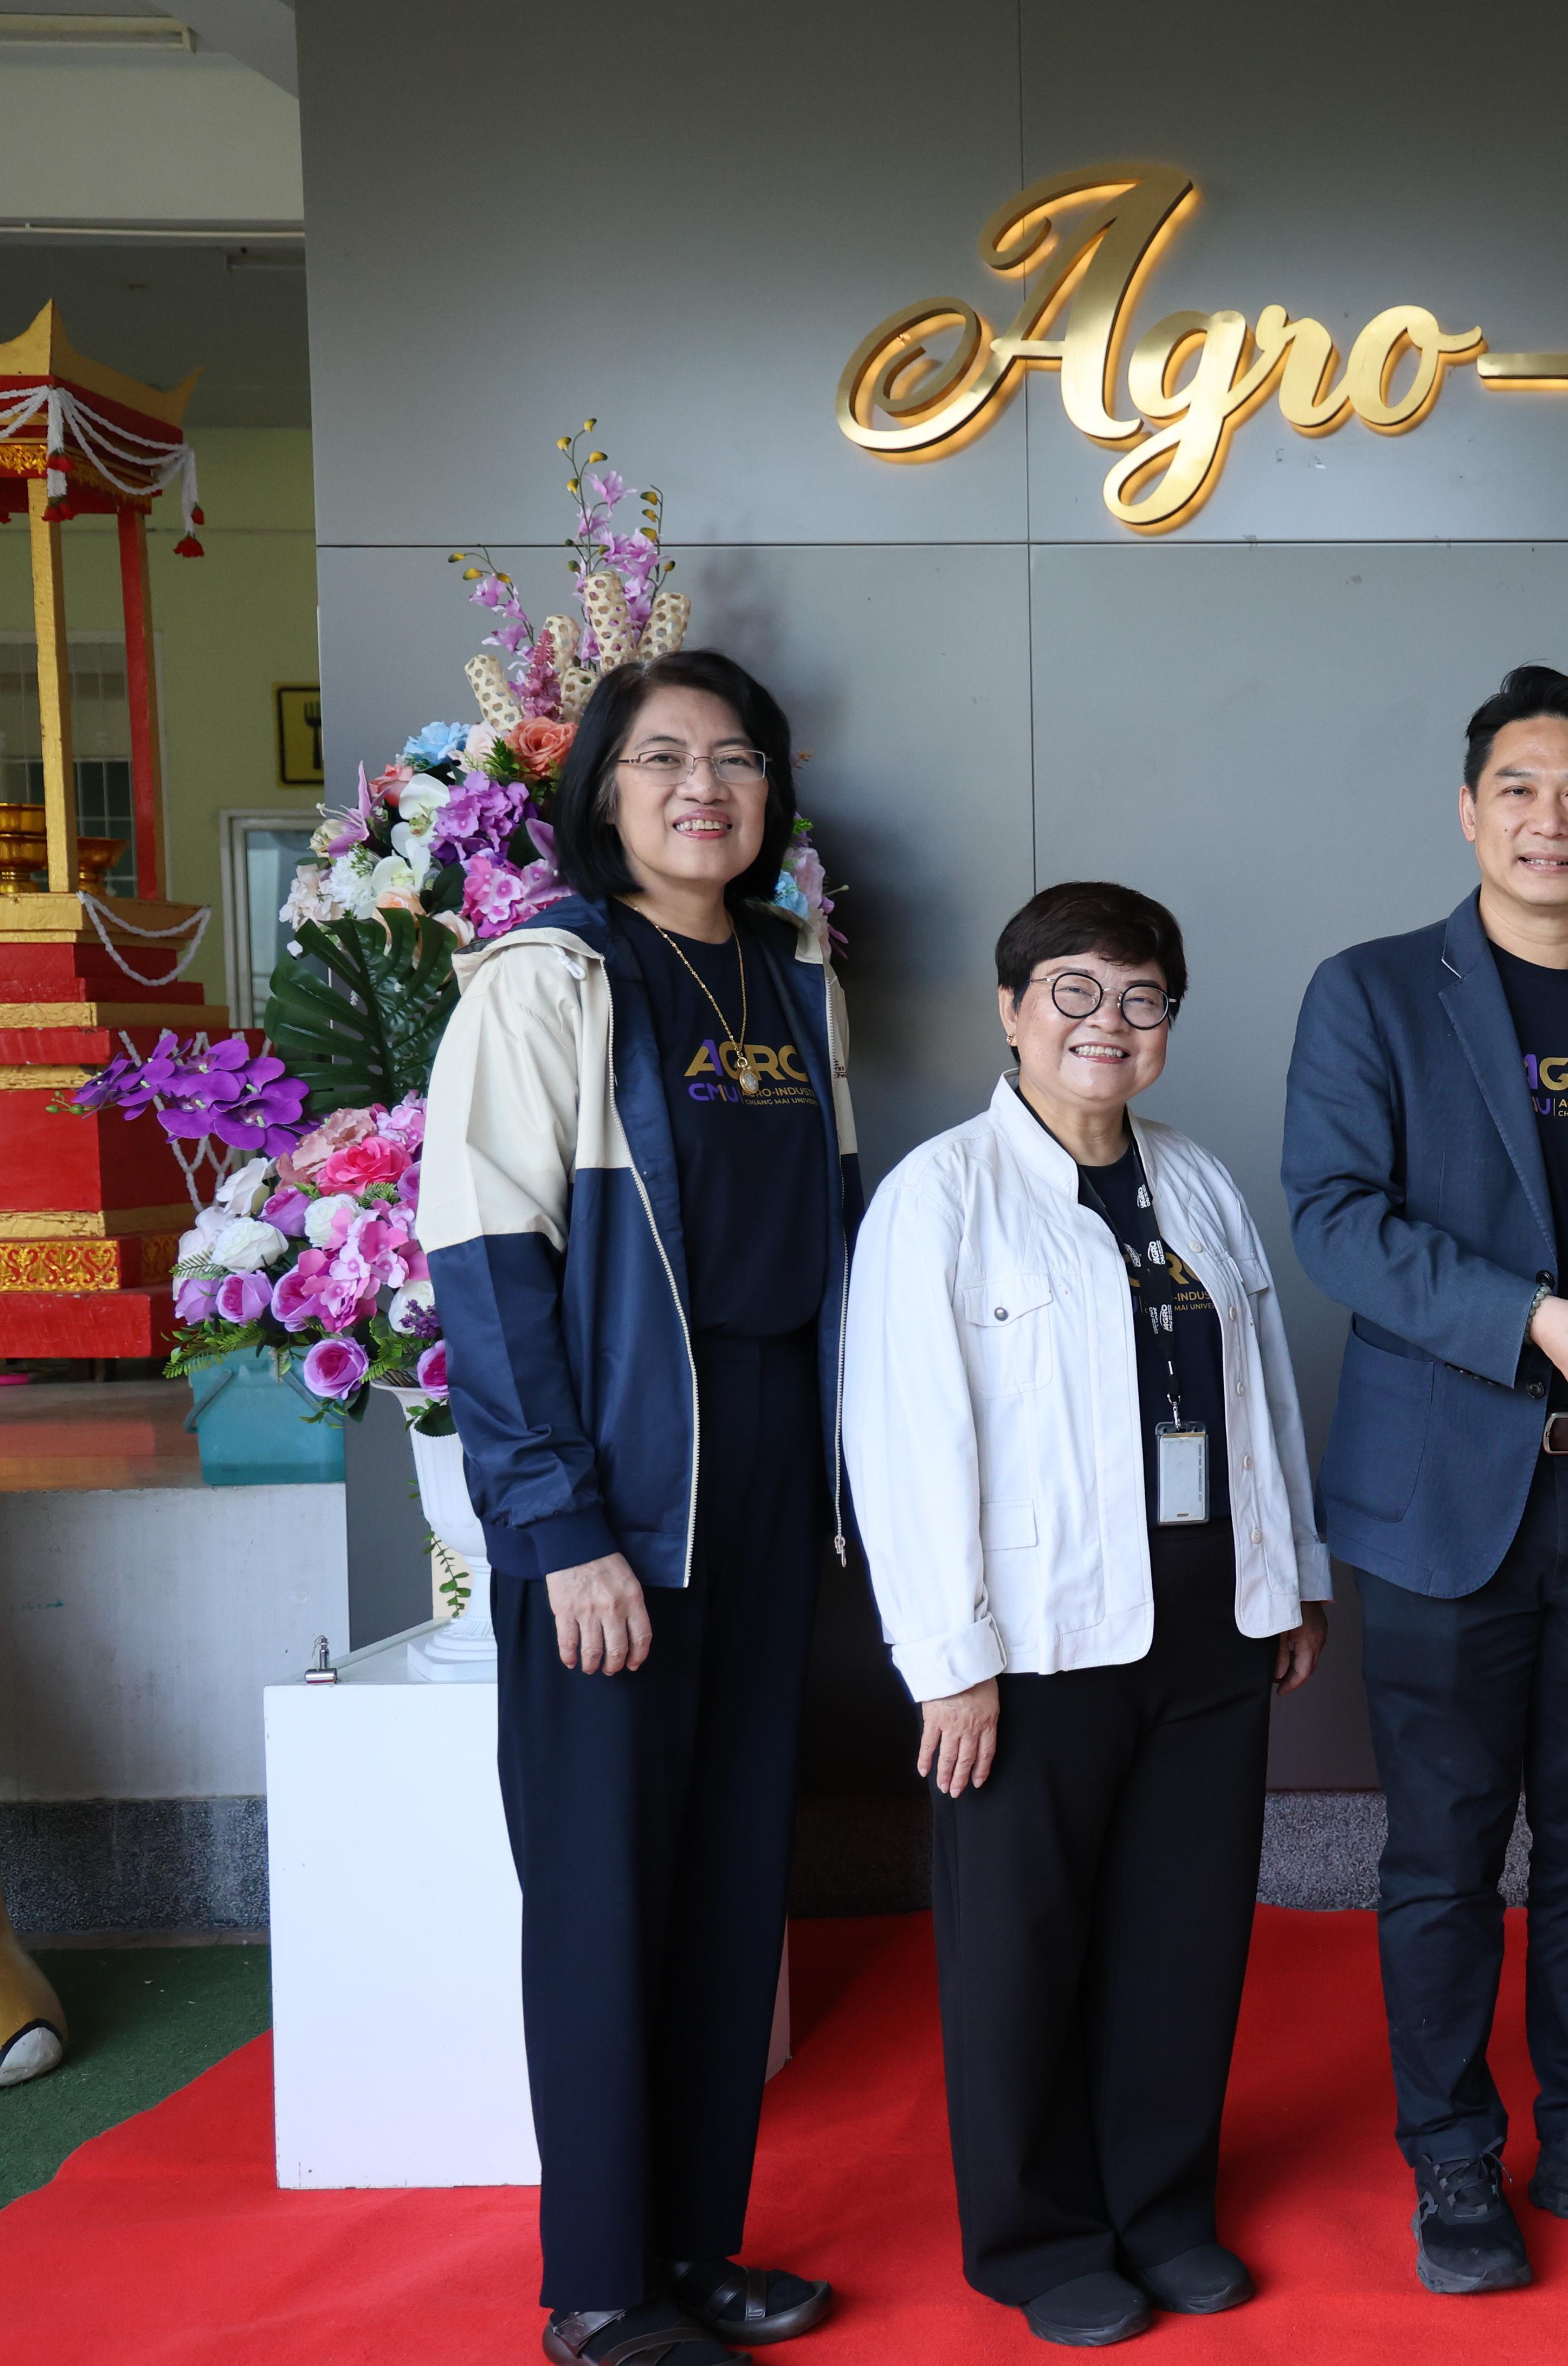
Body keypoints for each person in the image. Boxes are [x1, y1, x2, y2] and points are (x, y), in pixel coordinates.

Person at [1281, 664, 1568, 2294]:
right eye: (1520, 788)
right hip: (1444, 1504)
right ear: (1470, 811)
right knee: (1442, 1851)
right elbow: (1335, 1215)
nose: (1551, 819)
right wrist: (1527, 1318)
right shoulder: (1372, 992)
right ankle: (1453, 2153)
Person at [423, 651, 853, 2366]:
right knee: (604, 1893)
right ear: (601, 790)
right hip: (618, 1498)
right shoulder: (550, 982)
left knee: (732, 1883)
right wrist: (561, 1528)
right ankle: (601, 2287)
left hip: (765, 1484)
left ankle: (696, 2247)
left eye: (735, 758)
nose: (703, 788)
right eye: (663, 757)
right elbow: (486, 1274)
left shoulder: (791, 980)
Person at [843, 882, 1332, 2346]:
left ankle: (1162, 2206)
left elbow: (1261, 1391)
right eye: (1073, 990)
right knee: (1023, 1944)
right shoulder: (941, 1194)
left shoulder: (1198, 1179)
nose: (1107, 1023)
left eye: (1141, 997)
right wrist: (949, 1661)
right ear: (1010, 1010)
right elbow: (904, 1440)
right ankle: (1038, 2231)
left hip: (1207, 1621)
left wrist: (1291, 1574)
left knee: (1183, 1934)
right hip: (1034, 1641)